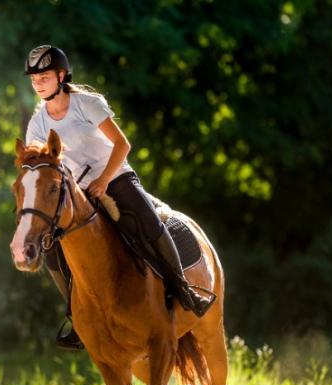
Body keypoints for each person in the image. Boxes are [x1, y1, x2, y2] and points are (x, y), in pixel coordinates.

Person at [23, 45, 215, 350]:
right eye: (34, 78)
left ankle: (184, 290)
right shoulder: (38, 123)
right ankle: (76, 316)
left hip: (116, 177)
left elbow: (122, 144)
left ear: (61, 76)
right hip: (78, 194)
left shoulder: (87, 103)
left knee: (150, 224)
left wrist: (102, 180)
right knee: (52, 252)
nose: (37, 83)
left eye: (44, 76)